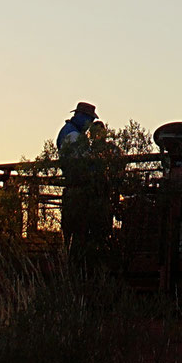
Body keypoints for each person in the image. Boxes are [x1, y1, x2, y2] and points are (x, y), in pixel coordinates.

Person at [57, 102, 109, 256]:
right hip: (80, 189)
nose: (89, 125)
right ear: (82, 117)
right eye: (89, 121)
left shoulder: (67, 132)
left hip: (74, 188)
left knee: (72, 232)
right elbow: (83, 163)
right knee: (80, 232)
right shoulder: (74, 136)